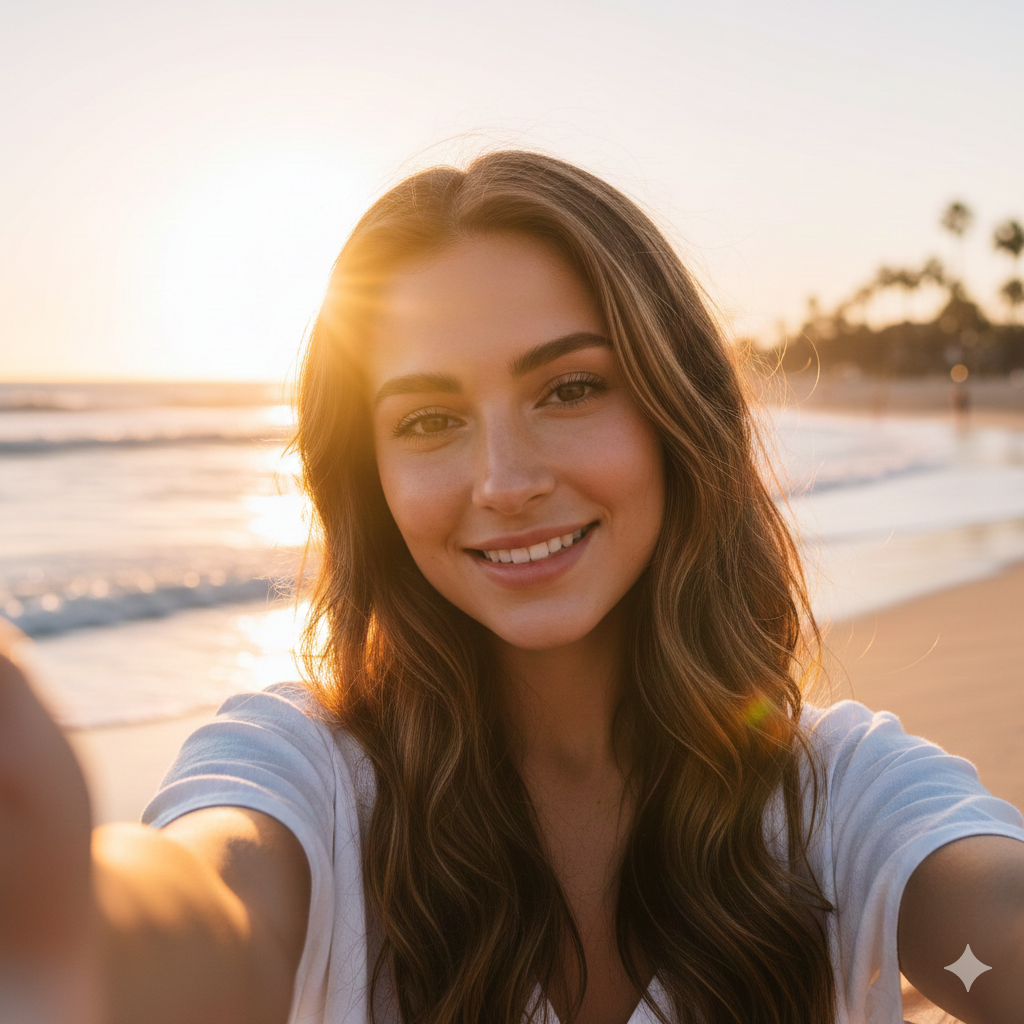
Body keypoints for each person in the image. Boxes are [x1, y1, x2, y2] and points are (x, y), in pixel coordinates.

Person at [1, 151, 1022, 1024]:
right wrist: (67, 920)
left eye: (569, 388)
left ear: (677, 413)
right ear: (372, 476)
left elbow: (992, 935)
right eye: (427, 420)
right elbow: (216, 915)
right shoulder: (302, 774)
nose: (504, 482)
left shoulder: (838, 797)